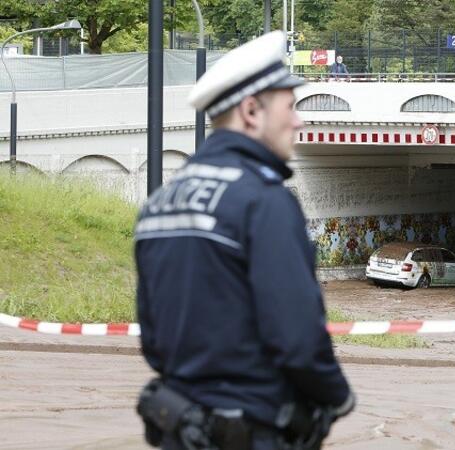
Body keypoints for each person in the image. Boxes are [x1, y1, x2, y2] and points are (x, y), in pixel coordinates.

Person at [134, 31, 354, 450]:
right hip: (253, 431)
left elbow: (154, 341)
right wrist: (337, 395)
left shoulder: (158, 205)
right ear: (251, 111)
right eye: (290, 107)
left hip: (181, 432)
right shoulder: (263, 202)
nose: (299, 121)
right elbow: (298, 338)